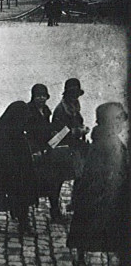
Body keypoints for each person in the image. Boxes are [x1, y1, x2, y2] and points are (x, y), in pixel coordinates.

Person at [67, 102, 128, 266]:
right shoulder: (106, 143)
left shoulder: (105, 138)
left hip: (103, 191)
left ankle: (81, 257)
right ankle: (80, 258)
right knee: (87, 226)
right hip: (98, 193)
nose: (121, 125)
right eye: (117, 121)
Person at [0, 101, 38, 235]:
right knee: (1, 195)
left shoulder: (11, 127)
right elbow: (2, 152)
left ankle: (18, 222)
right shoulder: (6, 131)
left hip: (14, 169)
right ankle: (4, 222)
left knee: (8, 194)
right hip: (5, 169)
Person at [49, 78, 90, 220]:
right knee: (57, 180)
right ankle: (54, 210)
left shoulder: (74, 106)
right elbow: (57, 134)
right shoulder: (61, 110)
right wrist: (77, 131)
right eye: (72, 93)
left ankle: (75, 203)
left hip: (74, 148)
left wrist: (82, 129)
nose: (75, 96)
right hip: (62, 149)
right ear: (66, 93)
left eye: (77, 93)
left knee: (80, 176)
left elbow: (78, 122)